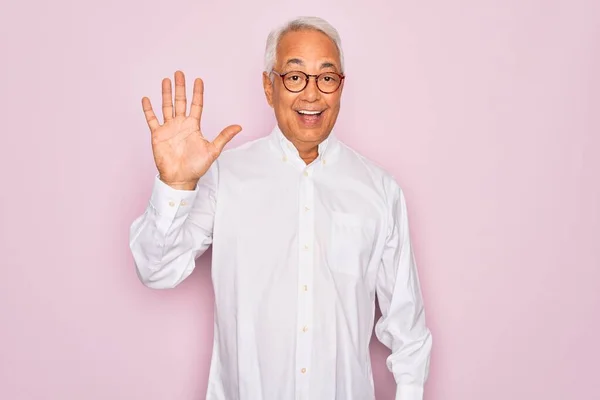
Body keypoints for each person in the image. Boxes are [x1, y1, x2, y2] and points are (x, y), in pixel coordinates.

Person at [129, 15, 432, 400]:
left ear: (340, 87)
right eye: (294, 76)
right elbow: (155, 270)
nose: (311, 94)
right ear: (269, 87)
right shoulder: (224, 177)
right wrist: (177, 184)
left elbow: (408, 325)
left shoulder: (380, 190)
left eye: (326, 77)